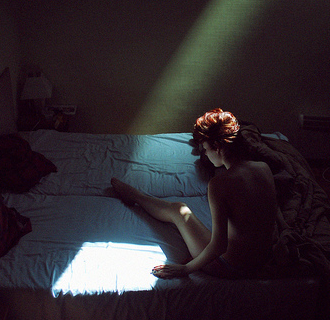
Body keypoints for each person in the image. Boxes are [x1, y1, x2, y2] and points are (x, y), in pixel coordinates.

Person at [110, 109, 277, 279]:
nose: (205, 154)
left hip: (231, 267)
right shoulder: (263, 168)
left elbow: (219, 246)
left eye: (205, 149)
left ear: (217, 147)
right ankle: (136, 196)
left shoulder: (220, 184)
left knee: (179, 210)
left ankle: (135, 196)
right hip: (262, 260)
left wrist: (186, 269)